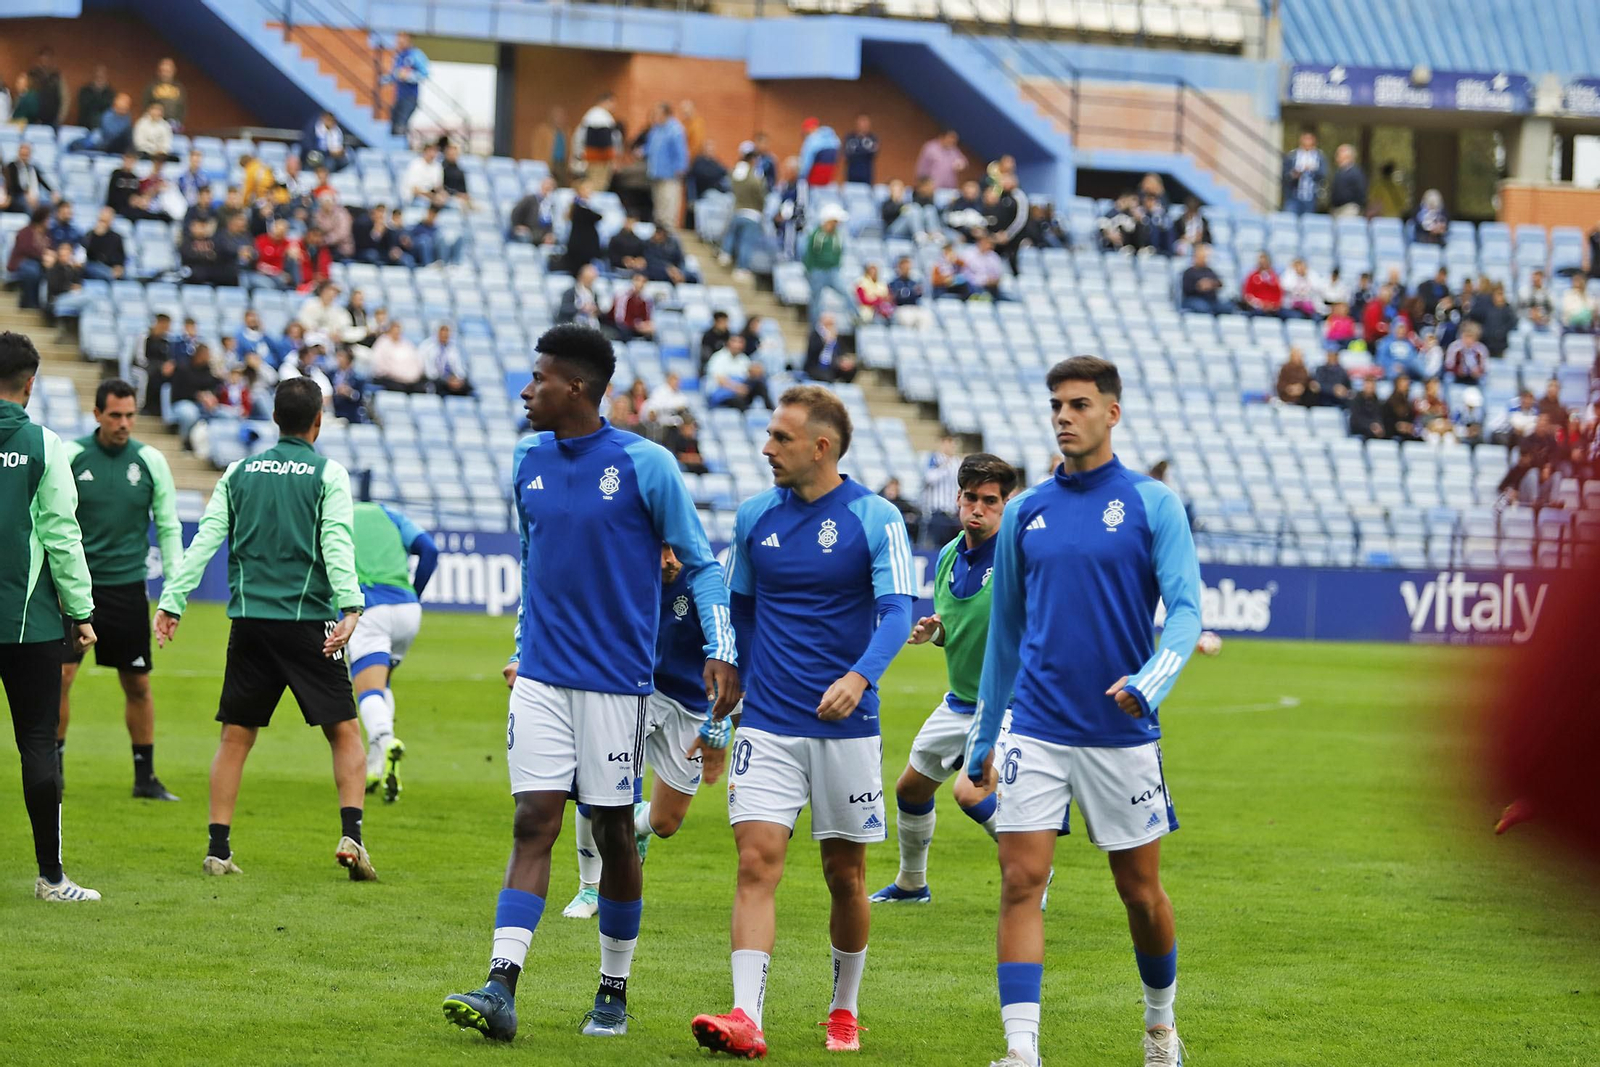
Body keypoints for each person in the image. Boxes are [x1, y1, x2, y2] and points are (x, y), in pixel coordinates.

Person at [441, 323, 739, 1043]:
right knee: (532, 821)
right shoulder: (527, 459)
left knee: (613, 830)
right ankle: (500, 985)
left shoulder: (647, 464)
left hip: (615, 685)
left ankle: (612, 990)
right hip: (542, 677)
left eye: (538, 379)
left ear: (575, 387)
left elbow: (701, 564)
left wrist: (721, 649)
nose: (525, 391)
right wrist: (522, 648)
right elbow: (531, 559)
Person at [967, 355, 1200, 1067]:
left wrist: (1151, 681)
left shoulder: (1153, 504)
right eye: (1056, 406)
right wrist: (984, 735)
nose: (1064, 417)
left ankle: (1160, 1026)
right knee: (1020, 880)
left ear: (1112, 412)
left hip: (1119, 732)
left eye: (1078, 404)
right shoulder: (1025, 510)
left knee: (1140, 892)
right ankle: (1022, 1050)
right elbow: (1006, 634)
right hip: (1035, 726)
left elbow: (1186, 613)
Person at [690, 385, 916, 1058]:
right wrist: (731, 663)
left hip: (848, 727)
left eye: (780, 438)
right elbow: (739, 605)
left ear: (821, 447)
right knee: (755, 863)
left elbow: (897, 612)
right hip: (767, 723)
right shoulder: (755, 515)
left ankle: (844, 1010)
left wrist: (859, 677)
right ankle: (746, 1015)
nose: (767, 448)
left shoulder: (877, 517)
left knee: (845, 875)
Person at [155, 376, 373, 879]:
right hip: (308, 622)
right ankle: (352, 837)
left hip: (250, 623)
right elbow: (337, 543)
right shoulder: (328, 474)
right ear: (319, 420)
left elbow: (204, 541)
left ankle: (218, 849)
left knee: (235, 737)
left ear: (274, 419)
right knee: (344, 731)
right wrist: (350, 606)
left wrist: (172, 601)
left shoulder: (238, 472)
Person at [871, 454, 1019, 905]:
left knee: (970, 791)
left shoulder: (1018, 558)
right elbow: (956, 627)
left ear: (1006, 504)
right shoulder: (949, 555)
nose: (978, 509)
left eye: (990, 501)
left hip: (1010, 704)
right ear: (957, 499)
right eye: (971, 498)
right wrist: (935, 633)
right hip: (961, 700)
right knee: (910, 788)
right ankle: (912, 884)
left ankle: (1032, 870)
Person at [560, 545, 726, 916]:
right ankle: (589, 889)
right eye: (660, 549)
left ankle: (635, 826)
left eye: (674, 549)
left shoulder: (705, 579)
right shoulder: (624, 573)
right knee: (596, 786)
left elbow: (729, 648)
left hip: (690, 704)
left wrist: (721, 717)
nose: (668, 559)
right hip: (634, 690)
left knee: (665, 823)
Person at [0, 331, 101, 902]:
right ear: (30, 384)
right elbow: (62, 534)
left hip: (28, 623)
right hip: (28, 624)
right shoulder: (43, 444)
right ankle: (51, 878)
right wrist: (81, 610)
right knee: (38, 744)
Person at [56, 379, 184, 798]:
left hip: (127, 590)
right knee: (60, 678)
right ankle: (52, 772)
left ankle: (145, 778)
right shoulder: (70, 456)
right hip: (75, 590)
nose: (124, 423)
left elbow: (168, 526)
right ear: (97, 414)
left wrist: (174, 590)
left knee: (138, 684)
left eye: (130, 415)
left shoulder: (150, 461)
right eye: (115, 415)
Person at [345, 502, 438, 803]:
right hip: (407, 610)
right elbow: (430, 550)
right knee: (382, 683)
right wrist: (414, 594)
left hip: (370, 608)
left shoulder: (336, 516)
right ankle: (376, 766)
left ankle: (386, 742)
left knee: (368, 690)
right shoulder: (388, 514)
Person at [643, 102, 688, 229]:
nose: (655, 116)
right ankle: (659, 231)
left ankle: (668, 232)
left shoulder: (675, 130)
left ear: (666, 114)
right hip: (655, 172)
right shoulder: (656, 129)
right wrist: (642, 151)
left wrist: (680, 168)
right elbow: (650, 147)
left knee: (669, 203)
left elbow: (681, 151)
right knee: (658, 204)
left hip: (670, 174)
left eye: (658, 114)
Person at [705, 333, 773, 410]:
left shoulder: (743, 359)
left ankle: (772, 411)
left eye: (740, 342)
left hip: (741, 391)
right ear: (728, 343)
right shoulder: (718, 358)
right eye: (734, 341)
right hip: (724, 393)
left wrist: (757, 372)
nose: (737, 345)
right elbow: (720, 380)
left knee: (759, 384)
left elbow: (748, 377)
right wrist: (737, 388)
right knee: (738, 402)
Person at [383, 31, 429, 135]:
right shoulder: (399, 56)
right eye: (398, 37)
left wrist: (408, 76)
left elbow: (424, 74)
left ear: (409, 39)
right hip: (399, 97)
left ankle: (402, 143)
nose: (399, 40)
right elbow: (394, 74)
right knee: (393, 125)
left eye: (402, 37)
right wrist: (385, 79)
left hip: (410, 97)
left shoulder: (416, 54)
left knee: (401, 126)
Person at [575, 93, 622, 191]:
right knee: (597, 186)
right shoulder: (600, 117)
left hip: (593, 158)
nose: (614, 107)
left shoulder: (591, 115)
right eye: (613, 103)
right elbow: (604, 141)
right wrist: (612, 159)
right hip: (599, 159)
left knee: (594, 183)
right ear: (606, 101)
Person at [922, 435, 962, 546]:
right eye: (947, 443)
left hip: (953, 512)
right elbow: (929, 478)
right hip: (938, 511)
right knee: (938, 545)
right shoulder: (934, 459)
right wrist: (944, 466)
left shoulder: (957, 462)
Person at [371, 320, 427, 393]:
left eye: (399, 331)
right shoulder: (382, 344)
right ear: (390, 331)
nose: (397, 333)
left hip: (410, 380)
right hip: (390, 379)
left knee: (422, 389)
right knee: (398, 388)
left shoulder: (407, 344)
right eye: (394, 331)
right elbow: (379, 366)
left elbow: (416, 361)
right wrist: (398, 374)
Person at [69, 90, 132, 154]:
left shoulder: (127, 118)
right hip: (102, 142)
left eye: (127, 104)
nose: (125, 107)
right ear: (115, 103)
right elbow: (109, 133)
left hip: (114, 146)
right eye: (123, 103)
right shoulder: (108, 115)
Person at [563, 180, 604, 275]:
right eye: (587, 189)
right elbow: (597, 217)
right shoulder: (579, 208)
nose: (590, 191)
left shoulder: (585, 206)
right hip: (581, 249)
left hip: (585, 249)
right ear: (580, 191)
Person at [420, 322, 472, 396]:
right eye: (442, 333)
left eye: (447, 333)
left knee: (467, 387)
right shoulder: (427, 347)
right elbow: (429, 370)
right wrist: (446, 380)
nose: (444, 335)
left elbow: (458, 367)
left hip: (451, 379)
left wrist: (457, 378)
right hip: (435, 379)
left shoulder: (453, 348)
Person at [1282, 128, 1326, 215]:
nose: (1307, 141)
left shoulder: (1319, 157)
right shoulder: (1292, 156)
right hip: (1294, 196)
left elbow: (1323, 174)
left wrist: (1312, 170)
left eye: (1309, 139)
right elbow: (1285, 175)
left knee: (1308, 219)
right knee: (1289, 218)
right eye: (1305, 139)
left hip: (1310, 197)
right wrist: (1294, 174)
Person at [3, 142, 53, 216]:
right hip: (17, 196)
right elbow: (11, 184)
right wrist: (25, 194)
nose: (25, 156)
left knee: (50, 204)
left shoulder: (33, 168)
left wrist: (52, 191)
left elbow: (42, 181)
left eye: (27, 154)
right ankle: (32, 222)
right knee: (28, 205)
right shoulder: (12, 166)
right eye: (23, 154)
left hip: (34, 196)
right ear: (19, 153)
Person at [1179, 245, 1228, 314]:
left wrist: (1211, 284)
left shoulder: (1209, 271)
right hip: (1194, 299)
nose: (1203, 259)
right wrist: (1199, 286)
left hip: (1211, 300)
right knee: (1203, 307)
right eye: (1201, 257)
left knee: (1227, 307)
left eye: (1204, 257)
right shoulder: (1189, 272)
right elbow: (1186, 289)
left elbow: (1220, 284)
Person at [509, 177, 558, 246]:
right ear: (542, 185)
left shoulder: (551, 204)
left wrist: (549, 234)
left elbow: (550, 222)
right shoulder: (530, 199)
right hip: (530, 230)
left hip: (543, 233)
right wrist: (518, 225)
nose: (548, 188)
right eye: (547, 185)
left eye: (551, 187)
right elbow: (516, 212)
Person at [797, 117, 841, 188]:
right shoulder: (834, 139)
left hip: (813, 180)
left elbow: (806, 162)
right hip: (829, 179)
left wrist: (801, 176)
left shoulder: (811, 140)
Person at [142, 57, 185, 129]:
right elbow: (145, 105)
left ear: (173, 71)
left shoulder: (179, 88)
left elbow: (183, 107)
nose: (165, 74)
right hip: (155, 124)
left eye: (168, 71)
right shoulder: (151, 87)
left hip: (174, 124)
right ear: (159, 72)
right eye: (163, 71)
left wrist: (180, 121)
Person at [611, 272, 654, 341]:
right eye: (637, 280)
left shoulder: (646, 300)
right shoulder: (623, 296)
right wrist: (636, 325)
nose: (640, 284)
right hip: (623, 327)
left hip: (638, 328)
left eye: (643, 281)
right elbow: (619, 319)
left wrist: (645, 325)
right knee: (624, 332)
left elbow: (647, 318)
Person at [557, 263, 602, 329]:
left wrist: (596, 310)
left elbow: (598, 311)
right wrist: (580, 308)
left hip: (591, 325)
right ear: (581, 277)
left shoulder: (594, 294)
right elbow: (563, 309)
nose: (591, 282)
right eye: (589, 279)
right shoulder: (571, 292)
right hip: (571, 325)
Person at [1328, 144, 1367, 217]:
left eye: (1339, 154)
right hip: (1336, 209)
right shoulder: (1339, 172)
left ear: (1347, 156)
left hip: (1349, 209)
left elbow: (1361, 192)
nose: (1336, 156)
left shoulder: (1356, 173)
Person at [1241, 251, 1282, 317]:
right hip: (1257, 308)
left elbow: (1279, 294)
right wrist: (1260, 304)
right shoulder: (1252, 276)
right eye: (1261, 262)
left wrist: (1272, 305)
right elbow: (1247, 295)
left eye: (1265, 262)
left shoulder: (1275, 277)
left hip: (1273, 309)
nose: (1263, 264)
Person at [842, 113, 879, 186]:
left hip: (866, 175)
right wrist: (864, 150)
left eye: (865, 122)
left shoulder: (873, 138)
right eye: (861, 122)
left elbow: (873, 153)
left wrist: (857, 149)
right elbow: (847, 153)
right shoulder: (850, 137)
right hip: (851, 174)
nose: (863, 124)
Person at [76, 64, 115, 131]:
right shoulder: (85, 91)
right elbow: (84, 106)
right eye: (98, 76)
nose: (99, 79)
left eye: (102, 76)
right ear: (94, 76)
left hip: (103, 128)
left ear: (106, 77)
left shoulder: (110, 93)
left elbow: (109, 108)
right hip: (85, 126)